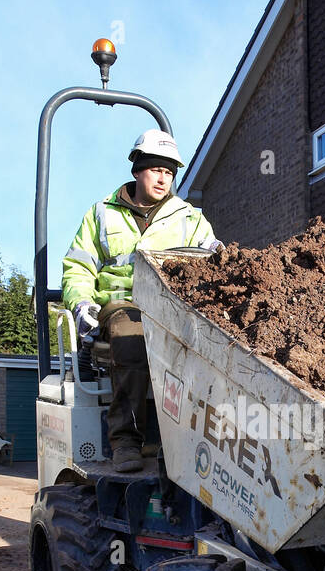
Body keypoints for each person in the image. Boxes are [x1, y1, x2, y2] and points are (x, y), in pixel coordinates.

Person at [62, 129, 220, 472]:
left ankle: (191, 440)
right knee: (132, 338)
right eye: (156, 170)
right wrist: (81, 305)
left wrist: (221, 256)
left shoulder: (188, 217)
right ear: (137, 170)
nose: (163, 179)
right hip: (122, 302)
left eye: (169, 172)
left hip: (173, 306)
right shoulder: (102, 214)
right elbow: (78, 265)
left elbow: (214, 254)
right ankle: (126, 441)